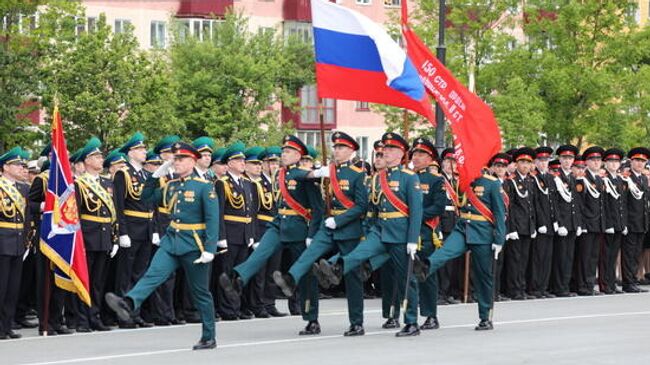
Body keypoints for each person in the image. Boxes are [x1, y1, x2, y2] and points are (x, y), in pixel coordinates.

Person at [106, 141, 219, 350]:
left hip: (195, 245)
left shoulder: (204, 187)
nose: (175, 162)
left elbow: (213, 219)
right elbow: (146, 197)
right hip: (171, 241)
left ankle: (209, 336)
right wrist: (157, 174)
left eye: (180, 159)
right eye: (174, 159)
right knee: (152, 274)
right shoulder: (172, 185)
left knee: (200, 293)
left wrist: (210, 250)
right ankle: (129, 303)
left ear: (192, 161)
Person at [315, 132, 423, 337]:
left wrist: (412, 239)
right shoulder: (377, 178)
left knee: (405, 279)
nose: (386, 153)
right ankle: (336, 269)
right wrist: (367, 230)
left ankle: (411, 322)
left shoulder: (410, 178)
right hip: (379, 230)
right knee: (358, 254)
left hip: (400, 233)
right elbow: (372, 208)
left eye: (391, 150)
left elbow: (416, 211)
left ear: (401, 153)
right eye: (385, 150)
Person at [219, 135, 323, 334]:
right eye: (283, 151)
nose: (284, 155)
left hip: (300, 228)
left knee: (307, 276)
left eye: (288, 152)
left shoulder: (305, 176)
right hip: (279, 224)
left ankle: (312, 319)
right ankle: (238, 279)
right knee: (260, 254)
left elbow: (317, 208)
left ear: (299, 155)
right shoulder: (280, 175)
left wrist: (312, 233)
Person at [273, 131, 367, 336]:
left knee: (352, 276)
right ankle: (300, 298)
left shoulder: (357, 174)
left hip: (348, 228)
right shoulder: (326, 171)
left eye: (341, 148)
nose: (337, 151)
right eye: (335, 147)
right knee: (310, 256)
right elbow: (316, 200)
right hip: (327, 225)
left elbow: (361, 206)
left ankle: (356, 322)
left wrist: (339, 220)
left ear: (351, 151)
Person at [413, 160, 506, 331]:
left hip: (483, 233)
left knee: (483, 276)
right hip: (463, 228)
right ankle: (426, 267)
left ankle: (485, 316)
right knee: (445, 251)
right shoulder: (461, 182)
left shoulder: (491, 183)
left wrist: (499, 239)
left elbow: (500, 213)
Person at [113, 132, 155, 328]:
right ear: (131, 152)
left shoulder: (146, 175)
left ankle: (135, 312)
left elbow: (151, 205)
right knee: (125, 275)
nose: (144, 152)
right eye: (140, 149)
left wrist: (153, 229)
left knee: (140, 274)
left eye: (144, 149)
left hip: (146, 228)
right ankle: (124, 316)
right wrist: (122, 232)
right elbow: (119, 205)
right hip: (131, 228)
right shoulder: (123, 173)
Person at [74, 137, 116, 332]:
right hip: (88, 237)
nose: (101, 160)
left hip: (105, 236)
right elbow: (76, 215)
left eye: (101, 156)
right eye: (96, 156)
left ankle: (95, 316)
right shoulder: (79, 184)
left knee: (99, 281)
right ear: (86, 161)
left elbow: (113, 212)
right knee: (85, 279)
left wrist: (114, 236)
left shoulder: (108, 183)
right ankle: (82, 319)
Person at [0, 147, 31, 339]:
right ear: (5, 167)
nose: (21, 168)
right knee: (1, 285)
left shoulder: (23, 188)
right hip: (2, 239)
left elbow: (27, 217)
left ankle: (7, 325)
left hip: (19, 241)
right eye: (16, 164)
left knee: (13, 287)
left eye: (21, 165)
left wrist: (26, 240)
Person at [621, 147, 650, 293]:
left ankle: (633, 280)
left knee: (636, 253)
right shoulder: (626, 178)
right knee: (628, 254)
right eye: (637, 161)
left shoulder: (643, 178)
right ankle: (628, 282)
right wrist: (624, 222)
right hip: (631, 222)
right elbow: (624, 203)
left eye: (642, 161)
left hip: (641, 222)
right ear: (631, 161)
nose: (640, 164)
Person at [599, 148, 626, 294]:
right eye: (611, 161)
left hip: (618, 224)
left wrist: (623, 223)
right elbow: (604, 205)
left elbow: (622, 205)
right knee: (605, 256)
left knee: (614, 255)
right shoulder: (604, 180)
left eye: (616, 162)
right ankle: (605, 284)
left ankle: (612, 283)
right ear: (606, 163)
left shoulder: (620, 180)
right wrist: (608, 224)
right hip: (609, 224)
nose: (614, 164)